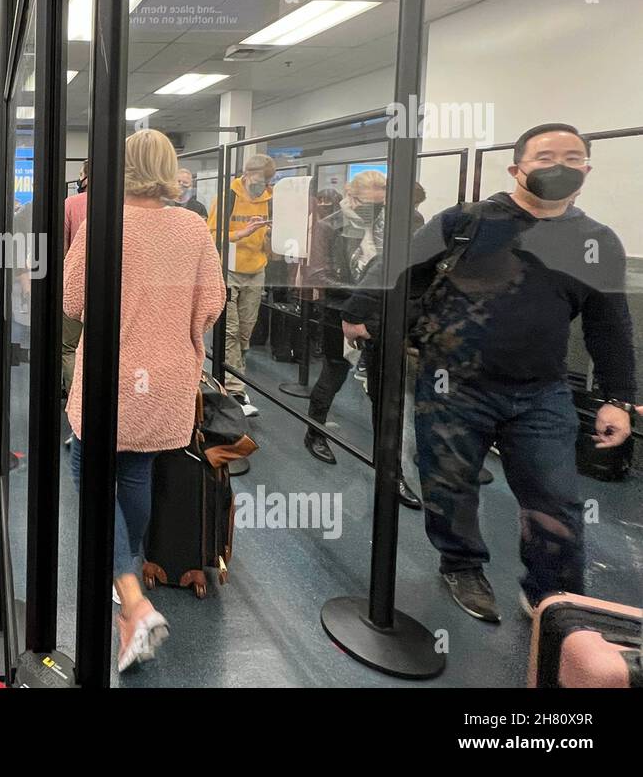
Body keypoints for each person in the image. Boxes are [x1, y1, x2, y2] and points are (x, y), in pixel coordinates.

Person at [344, 124, 635, 623]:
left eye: (572, 157)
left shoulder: (596, 241)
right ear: (516, 167)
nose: (559, 166)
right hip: (452, 383)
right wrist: (358, 310)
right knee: (449, 484)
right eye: (545, 157)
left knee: (555, 497)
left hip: (541, 392)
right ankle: (461, 562)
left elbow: (609, 324)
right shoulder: (468, 221)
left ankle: (553, 595)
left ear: (587, 169)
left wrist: (620, 397)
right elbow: (401, 264)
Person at [63, 128, 227, 672]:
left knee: (90, 471)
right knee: (136, 473)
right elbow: (212, 305)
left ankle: (132, 598)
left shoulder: (102, 226)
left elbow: (73, 299)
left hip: (113, 370)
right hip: (167, 377)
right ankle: (126, 572)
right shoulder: (193, 227)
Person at [301, 171, 420, 509]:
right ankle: (315, 430)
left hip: (386, 318)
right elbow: (318, 274)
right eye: (373, 190)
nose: (380, 196)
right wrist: (365, 297)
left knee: (385, 394)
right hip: (342, 312)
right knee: (334, 373)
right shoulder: (331, 225)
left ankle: (391, 470)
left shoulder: (401, 226)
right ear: (354, 193)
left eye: (384, 189)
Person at [206, 153, 275, 417]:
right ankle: (236, 389)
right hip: (229, 270)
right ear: (246, 175)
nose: (262, 186)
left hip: (256, 271)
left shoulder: (270, 199)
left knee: (245, 332)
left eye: (267, 181)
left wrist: (269, 236)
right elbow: (211, 236)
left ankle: (233, 377)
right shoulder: (228, 197)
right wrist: (241, 233)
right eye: (258, 180)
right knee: (231, 331)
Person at [61, 160, 89, 399]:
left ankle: (76, 403)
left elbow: (63, 249)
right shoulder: (122, 204)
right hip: (115, 289)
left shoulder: (71, 204)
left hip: (76, 284)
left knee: (69, 347)